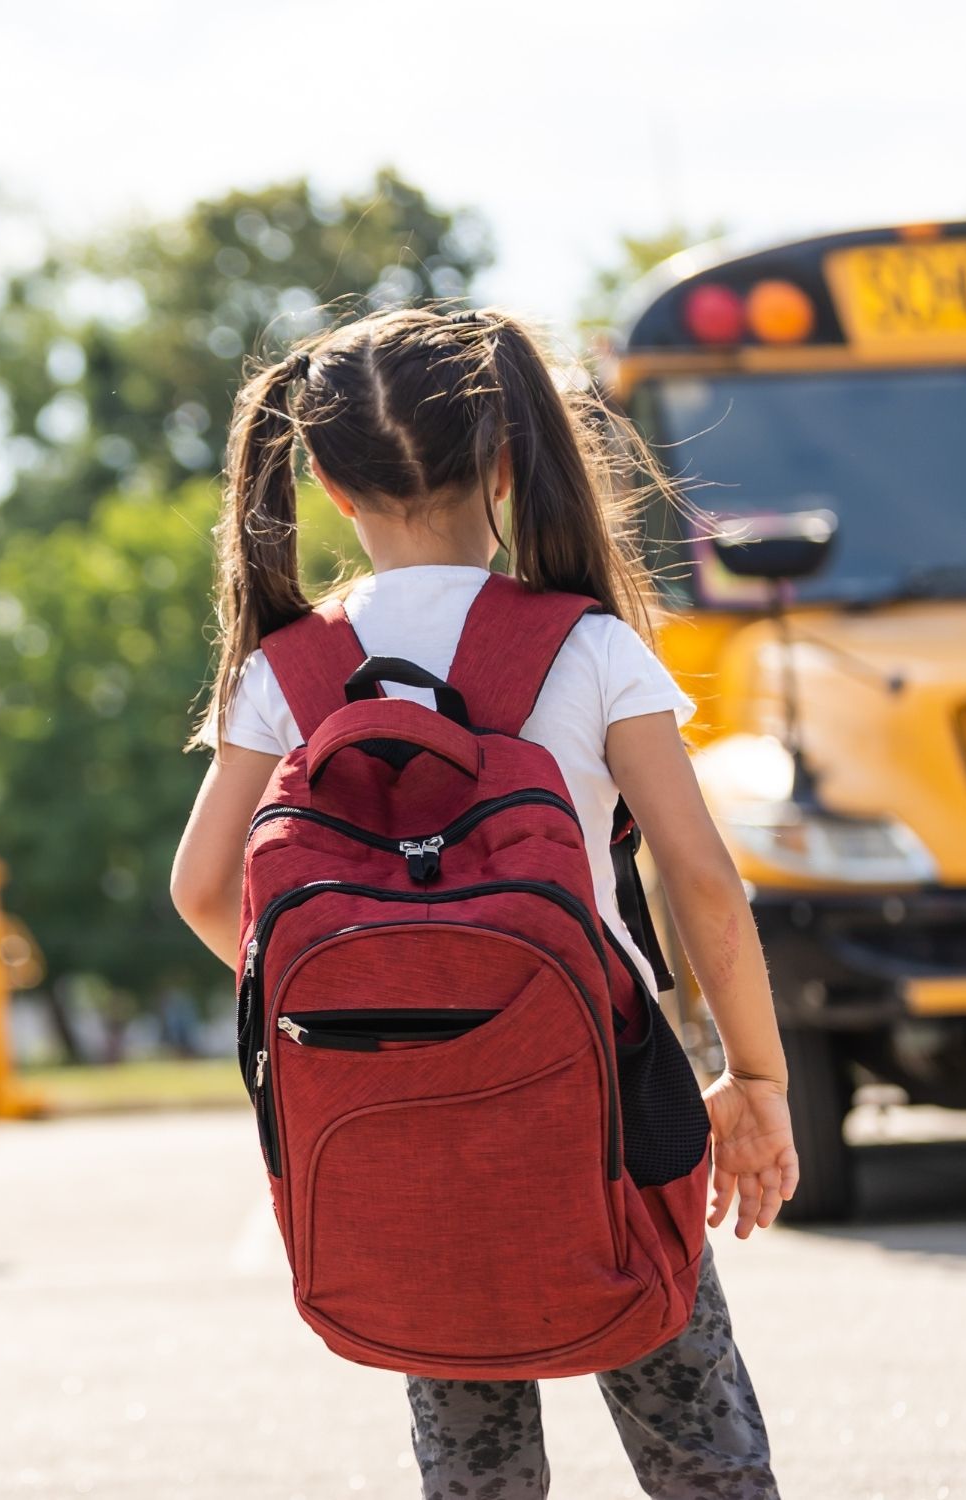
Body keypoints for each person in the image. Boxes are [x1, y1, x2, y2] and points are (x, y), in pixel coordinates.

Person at [169, 307, 796, 1498]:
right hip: (611, 1094)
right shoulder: (584, 645)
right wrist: (754, 1084)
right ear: (506, 457)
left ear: (320, 481)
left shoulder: (288, 667)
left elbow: (203, 890)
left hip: (392, 1091)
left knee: (469, 1454)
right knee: (696, 1441)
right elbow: (701, 881)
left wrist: (373, 993)